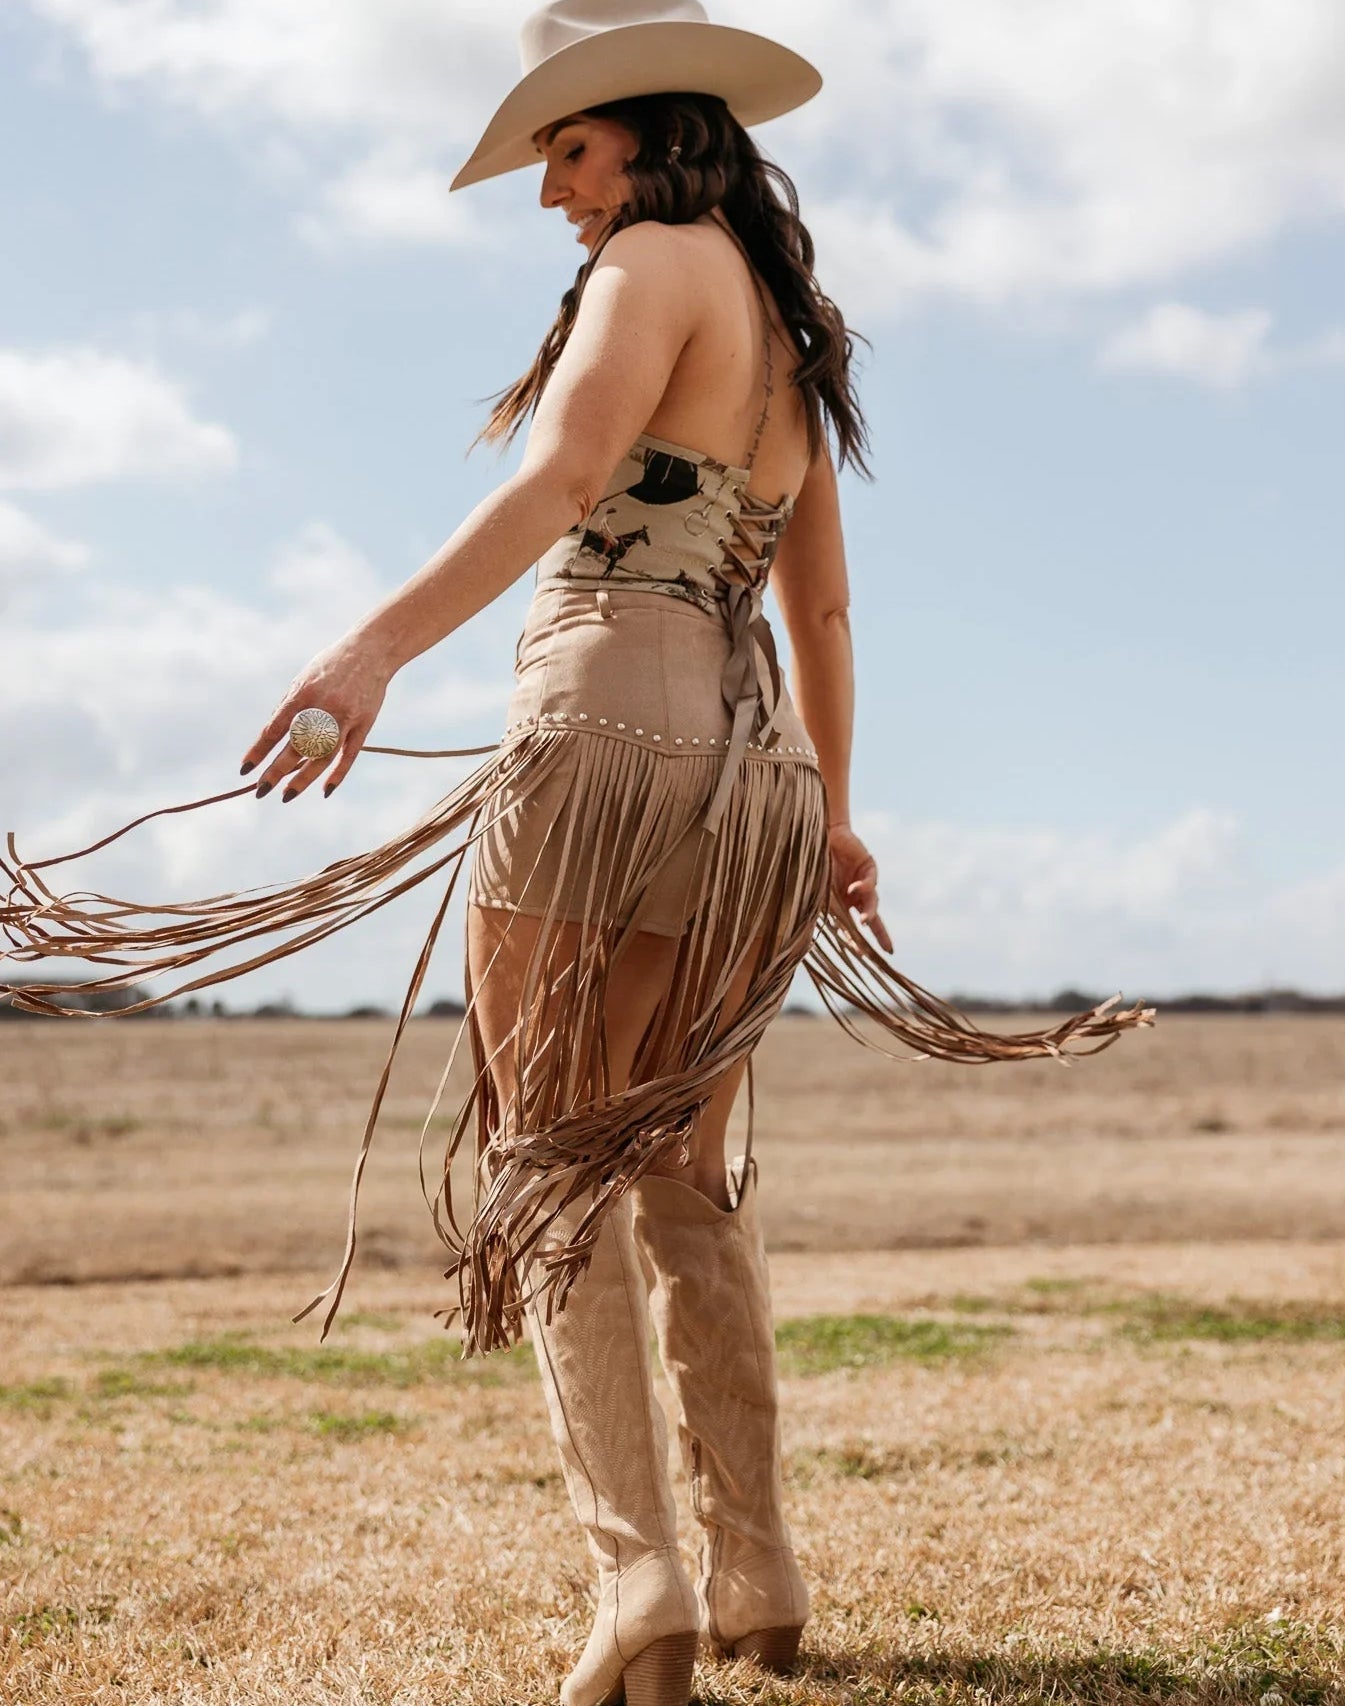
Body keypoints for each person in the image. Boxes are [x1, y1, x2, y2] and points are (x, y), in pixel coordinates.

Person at [2, 5, 1154, 1701]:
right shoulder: (789, 336)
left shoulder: (651, 264)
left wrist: (369, 650)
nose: (553, 194)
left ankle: (643, 1588)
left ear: (641, 129)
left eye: (565, 150)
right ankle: (756, 1568)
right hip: (752, 770)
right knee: (679, 1161)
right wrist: (833, 811)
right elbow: (822, 601)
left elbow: (562, 474)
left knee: (548, 1154)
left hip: (605, 728)